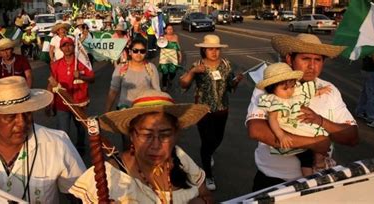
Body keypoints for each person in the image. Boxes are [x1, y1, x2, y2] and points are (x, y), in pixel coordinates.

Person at [246, 34, 359, 192]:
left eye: (318, 60)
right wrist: (314, 142)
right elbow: (256, 130)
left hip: (320, 180)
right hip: (274, 181)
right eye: (305, 59)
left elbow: (352, 136)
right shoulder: (270, 87)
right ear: (289, 59)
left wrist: (320, 121)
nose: (312, 66)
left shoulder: (329, 90)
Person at [69, 90, 214, 204]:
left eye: (165, 135)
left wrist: (201, 202)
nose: (156, 145)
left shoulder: (180, 157)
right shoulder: (108, 177)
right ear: (132, 135)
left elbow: (206, 194)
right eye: (146, 135)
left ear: (175, 135)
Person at [179, 34, 244, 190]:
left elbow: (230, 86)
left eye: (216, 49)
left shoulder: (226, 65)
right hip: (203, 110)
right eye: (210, 49)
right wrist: (193, 72)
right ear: (203, 50)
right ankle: (208, 175)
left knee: (217, 139)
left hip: (222, 109)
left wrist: (236, 82)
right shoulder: (198, 64)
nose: (214, 52)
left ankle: (208, 154)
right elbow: (183, 84)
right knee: (207, 140)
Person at [255, 62, 332, 176]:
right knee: (306, 156)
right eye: (285, 89)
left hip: (301, 124)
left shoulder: (295, 93)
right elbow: (273, 119)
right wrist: (281, 135)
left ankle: (319, 162)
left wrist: (320, 91)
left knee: (322, 137)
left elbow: (307, 94)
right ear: (272, 88)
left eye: (292, 86)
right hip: (290, 127)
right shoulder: (274, 101)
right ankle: (310, 175)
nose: (290, 91)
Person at [104, 38, 160, 150]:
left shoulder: (151, 68)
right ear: (130, 52)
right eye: (135, 50)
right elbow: (113, 91)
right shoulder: (121, 68)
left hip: (145, 111)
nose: (139, 54)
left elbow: (157, 91)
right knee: (128, 143)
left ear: (146, 52)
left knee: (144, 143)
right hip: (125, 111)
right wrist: (107, 112)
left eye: (142, 51)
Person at [46, 37, 95, 155]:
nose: (67, 48)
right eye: (64, 46)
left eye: (69, 45)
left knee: (81, 127)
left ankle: (80, 145)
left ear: (74, 47)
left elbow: (92, 78)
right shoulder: (56, 65)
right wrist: (49, 103)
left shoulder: (82, 63)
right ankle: (65, 152)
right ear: (61, 49)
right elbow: (51, 83)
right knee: (63, 131)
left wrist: (81, 76)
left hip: (78, 101)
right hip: (62, 102)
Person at [158, 24, 182, 91]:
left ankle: (170, 79)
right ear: (165, 30)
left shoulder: (175, 37)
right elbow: (159, 46)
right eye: (168, 29)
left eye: (171, 29)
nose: (170, 30)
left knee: (173, 71)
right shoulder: (163, 37)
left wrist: (180, 55)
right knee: (164, 72)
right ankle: (164, 85)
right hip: (164, 57)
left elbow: (178, 46)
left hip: (173, 56)